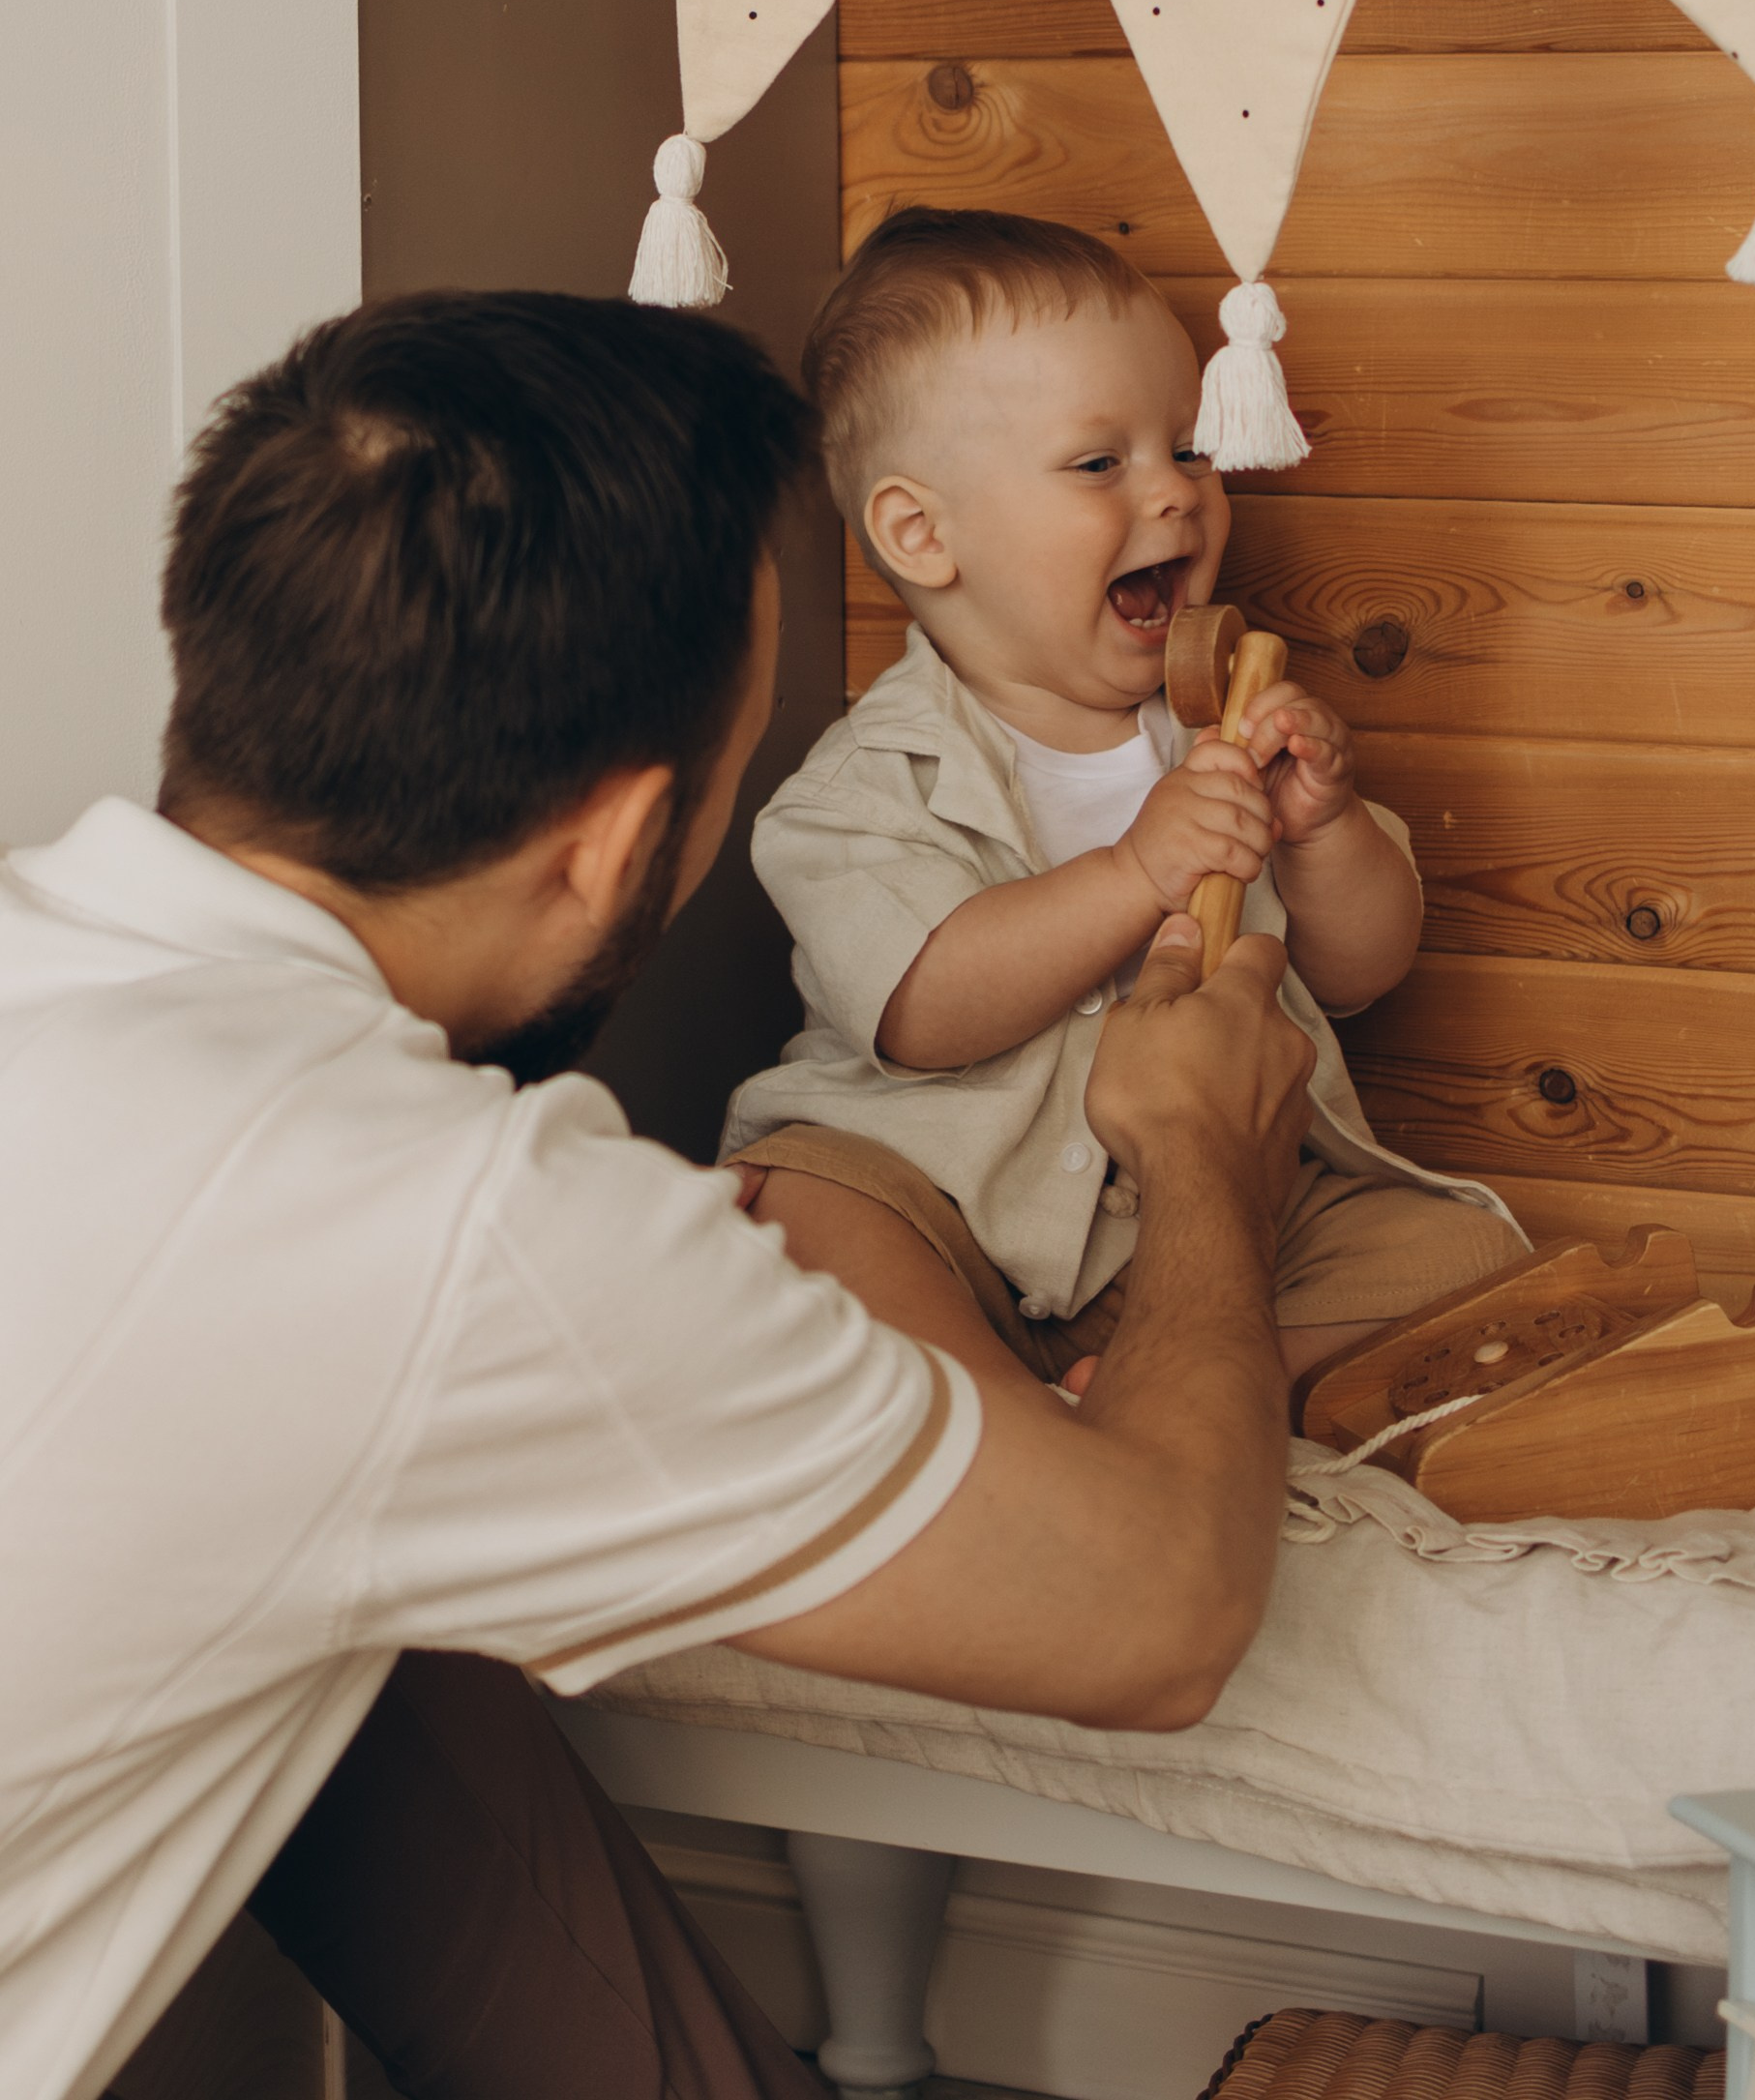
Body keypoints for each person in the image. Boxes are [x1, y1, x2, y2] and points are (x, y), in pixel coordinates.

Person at [0, 289, 1320, 2100]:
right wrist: (1198, 1157)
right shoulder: (450, 1225)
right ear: (622, 843)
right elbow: (1164, 1608)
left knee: (377, 1645)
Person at [725, 211, 1522, 1408]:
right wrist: (1134, 873)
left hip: (1207, 1222)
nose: (1177, 495)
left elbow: (1364, 968)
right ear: (921, 533)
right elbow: (923, 1011)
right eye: (1102, 464)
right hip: (948, 1206)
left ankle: (1158, 1384)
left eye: (1190, 449)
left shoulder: (1223, 737)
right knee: (800, 1212)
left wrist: (1323, 831)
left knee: (1470, 1261)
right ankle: (1026, 1402)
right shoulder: (859, 789)